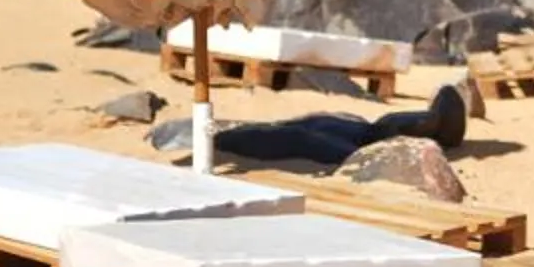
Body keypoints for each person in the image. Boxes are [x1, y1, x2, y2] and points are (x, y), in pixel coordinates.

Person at [178, 83, 469, 166]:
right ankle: (430, 128)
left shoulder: (212, 134)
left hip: (236, 134)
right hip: (239, 138)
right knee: (303, 135)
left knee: (327, 126)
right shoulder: (215, 137)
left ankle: (430, 126)